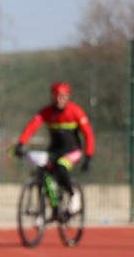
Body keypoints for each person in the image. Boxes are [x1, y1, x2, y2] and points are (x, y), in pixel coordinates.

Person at [13, 82, 95, 213]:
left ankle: (73, 194)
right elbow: (32, 126)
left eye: (63, 96)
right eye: (56, 96)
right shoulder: (47, 112)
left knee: (62, 166)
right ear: (52, 96)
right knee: (42, 170)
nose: (59, 99)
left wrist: (89, 155)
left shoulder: (75, 112)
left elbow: (88, 134)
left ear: (68, 97)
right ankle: (49, 205)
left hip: (72, 151)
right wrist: (21, 143)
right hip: (54, 150)